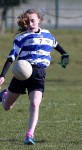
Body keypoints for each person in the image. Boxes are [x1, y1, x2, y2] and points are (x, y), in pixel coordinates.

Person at [0, 9, 69, 145]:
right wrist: (2, 75)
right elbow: (11, 57)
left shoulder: (48, 35)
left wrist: (65, 55)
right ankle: (4, 95)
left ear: (39, 20)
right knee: (7, 107)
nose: (30, 23)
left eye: (32, 20)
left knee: (35, 103)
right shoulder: (21, 38)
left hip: (39, 73)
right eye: (27, 21)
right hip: (21, 73)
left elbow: (57, 45)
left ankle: (29, 135)